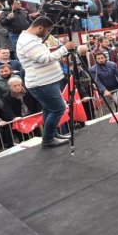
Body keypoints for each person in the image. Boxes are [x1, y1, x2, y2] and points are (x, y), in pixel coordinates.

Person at [16, 16, 76, 148]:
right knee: (58, 109)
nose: (48, 34)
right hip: (42, 83)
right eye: (47, 30)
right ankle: (48, 139)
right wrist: (65, 48)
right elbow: (44, 58)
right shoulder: (28, 42)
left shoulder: (32, 39)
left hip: (46, 81)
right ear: (40, 27)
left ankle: (52, 134)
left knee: (49, 109)